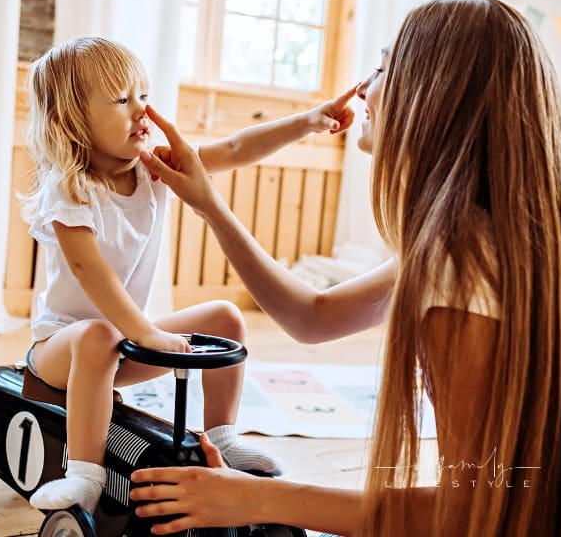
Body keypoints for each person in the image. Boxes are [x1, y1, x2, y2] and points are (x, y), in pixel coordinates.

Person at [130, 0, 561, 536]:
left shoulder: (461, 268)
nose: (365, 89)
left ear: (435, 95)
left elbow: (472, 513)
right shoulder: (488, 238)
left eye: (385, 67)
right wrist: (210, 205)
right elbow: (313, 317)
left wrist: (254, 498)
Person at [22, 36, 357, 514]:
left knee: (224, 317)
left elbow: (237, 148)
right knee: (96, 335)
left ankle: (224, 435)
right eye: (122, 100)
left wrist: (307, 121)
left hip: (125, 344)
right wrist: (147, 333)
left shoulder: (152, 167)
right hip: (63, 350)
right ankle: (84, 475)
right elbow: (92, 274)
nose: (141, 110)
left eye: (143, 94)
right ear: (72, 119)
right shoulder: (70, 189)